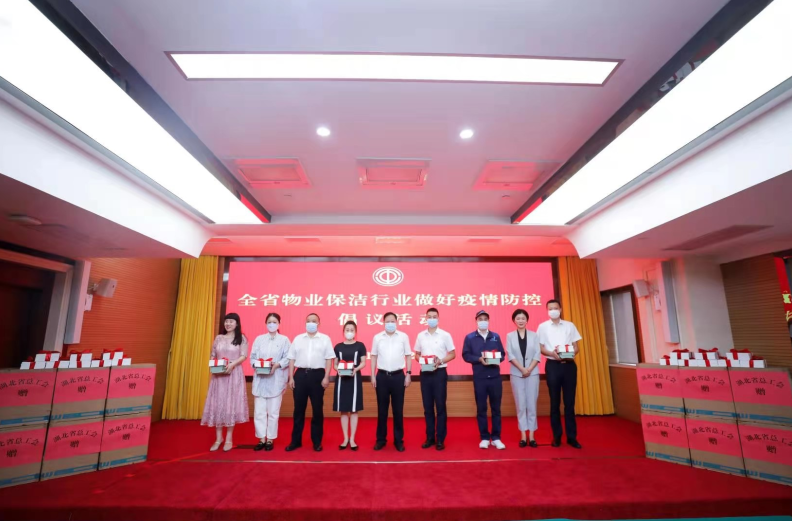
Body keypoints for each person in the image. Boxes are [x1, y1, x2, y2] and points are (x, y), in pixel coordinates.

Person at [286, 313, 335, 452]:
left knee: (317, 410)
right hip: (300, 375)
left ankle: (317, 442)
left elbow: (329, 359)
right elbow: (291, 359)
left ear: (319, 323)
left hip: (318, 376)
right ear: (305, 323)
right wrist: (291, 377)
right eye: (308, 321)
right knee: (298, 410)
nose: (311, 323)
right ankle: (295, 441)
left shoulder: (325, 339)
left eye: (314, 321)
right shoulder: (298, 339)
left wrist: (326, 377)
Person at [537, 299, 583, 449]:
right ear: (547, 311)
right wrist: (552, 353)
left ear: (560, 309)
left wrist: (570, 354)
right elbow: (540, 348)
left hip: (569, 366)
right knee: (554, 403)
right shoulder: (542, 327)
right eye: (550, 309)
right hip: (553, 366)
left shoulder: (570, 325)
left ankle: (572, 437)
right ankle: (557, 436)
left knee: (570, 403)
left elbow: (576, 347)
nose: (553, 311)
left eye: (555, 308)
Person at [201, 312, 249, 452]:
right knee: (218, 405)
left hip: (234, 374)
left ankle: (228, 439)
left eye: (231, 321)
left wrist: (232, 365)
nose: (228, 324)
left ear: (237, 324)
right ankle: (218, 438)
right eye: (226, 321)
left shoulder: (241, 338)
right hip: (219, 375)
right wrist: (214, 364)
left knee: (230, 406)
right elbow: (213, 355)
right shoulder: (219, 338)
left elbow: (243, 356)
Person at [461, 310, 506, 450]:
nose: (483, 321)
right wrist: (479, 359)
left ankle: (496, 437)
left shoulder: (495, 336)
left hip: (495, 377)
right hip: (479, 378)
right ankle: (485, 437)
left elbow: (502, 354)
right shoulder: (470, 337)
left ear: (488, 321)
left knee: (496, 409)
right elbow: (465, 355)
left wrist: (496, 358)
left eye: (485, 319)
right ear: (476, 321)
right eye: (480, 319)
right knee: (481, 409)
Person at [413, 307, 456, 450]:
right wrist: (422, 360)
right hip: (425, 373)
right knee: (427, 407)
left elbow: (453, 354)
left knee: (441, 406)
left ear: (438, 318)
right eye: (429, 317)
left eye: (434, 317)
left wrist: (440, 361)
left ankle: (440, 439)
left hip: (439, 373)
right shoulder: (420, 335)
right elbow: (416, 354)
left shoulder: (445, 335)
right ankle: (430, 437)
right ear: (425, 318)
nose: (432, 319)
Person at [371, 311, 412, 452]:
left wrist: (408, 374)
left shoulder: (403, 337)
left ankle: (398, 440)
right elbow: (374, 356)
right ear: (383, 322)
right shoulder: (377, 337)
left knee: (398, 410)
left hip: (398, 376)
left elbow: (408, 356)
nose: (390, 324)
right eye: (387, 321)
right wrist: (372, 375)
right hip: (382, 376)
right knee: (382, 410)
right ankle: (381, 440)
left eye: (392, 321)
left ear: (396, 322)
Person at [250, 312, 290, 451]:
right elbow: (252, 358)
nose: (271, 324)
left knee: (273, 412)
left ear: (279, 324)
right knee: (259, 412)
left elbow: (288, 358)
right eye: (269, 322)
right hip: (260, 379)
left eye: (274, 322)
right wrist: (258, 365)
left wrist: (277, 365)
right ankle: (261, 438)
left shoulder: (284, 340)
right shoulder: (259, 339)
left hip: (276, 380)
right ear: (265, 324)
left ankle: (270, 439)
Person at [506, 309, 541, 448]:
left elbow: (537, 354)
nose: (520, 320)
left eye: (523, 318)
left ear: (527, 320)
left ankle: (531, 436)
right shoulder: (509, 336)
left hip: (533, 374)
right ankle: (522, 435)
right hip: (516, 374)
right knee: (520, 405)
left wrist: (529, 369)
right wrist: (522, 369)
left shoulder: (534, 335)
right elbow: (510, 355)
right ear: (514, 320)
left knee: (532, 405)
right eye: (518, 318)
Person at [333, 320, 367, 451]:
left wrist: (355, 369)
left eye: (352, 330)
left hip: (354, 379)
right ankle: (345, 438)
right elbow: (335, 364)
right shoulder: (338, 347)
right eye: (347, 330)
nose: (349, 332)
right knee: (343, 409)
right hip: (341, 380)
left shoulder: (360, 345)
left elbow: (363, 362)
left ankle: (352, 438)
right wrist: (338, 370)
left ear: (355, 332)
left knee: (353, 409)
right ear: (343, 331)